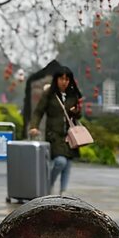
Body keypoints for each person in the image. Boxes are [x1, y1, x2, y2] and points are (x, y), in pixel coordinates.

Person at [28, 66, 83, 195]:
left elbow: (79, 115)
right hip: (54, 135)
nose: (64, 82)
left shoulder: (72, 95)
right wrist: (34, 126)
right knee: (60, 162)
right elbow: (38, 112)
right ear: (56, 79)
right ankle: (49, 185)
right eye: (61, 78)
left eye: (67, 79)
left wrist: (76, 111)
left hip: (70, 135)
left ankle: (63, 192)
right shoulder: (49, 94)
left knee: (68, 164)